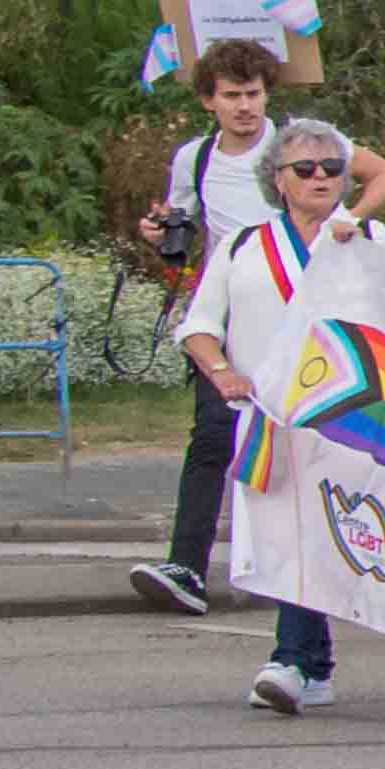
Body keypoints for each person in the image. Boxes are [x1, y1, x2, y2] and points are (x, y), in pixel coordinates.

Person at [174, 117, 385, 712]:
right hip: (268, 420)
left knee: (318, 535)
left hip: (346, 419)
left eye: (334, 169)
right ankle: (306, 662)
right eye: (307, 168)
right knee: (286, 537)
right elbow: (199, 325)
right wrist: (222, 372)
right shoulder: (244, 245)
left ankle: (295, 660)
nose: (323, 178)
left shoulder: (374, 240)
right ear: (279, 180)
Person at [127, 37, 289, 614]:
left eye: (254, 94)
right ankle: (187, 565)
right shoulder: (194, 158)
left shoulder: (292, 145)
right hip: (225, 310)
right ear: (209, 101)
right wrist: (161, 235)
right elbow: (184, 224)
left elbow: (369, 179)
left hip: (292, 310)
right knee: (212, 436)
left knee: (301, 440)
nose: (246, 107)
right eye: (232, 96)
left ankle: (290, 567)